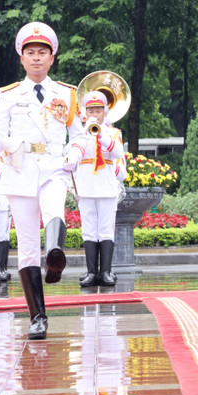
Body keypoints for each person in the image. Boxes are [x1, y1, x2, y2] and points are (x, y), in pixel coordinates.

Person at [0, 21, 87, 340]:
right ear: (22, 57)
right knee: (27, 246)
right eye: (31, 52)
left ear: (52, 57)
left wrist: (75, 153)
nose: (37, 58)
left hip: (54, 165)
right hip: (21, 168)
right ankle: (37, 317)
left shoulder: (67, 94)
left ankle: (54, 258)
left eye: (43, 52)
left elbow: (80, 134)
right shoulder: (10, 96)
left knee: (54, 208)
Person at [74, 91, 126, 287]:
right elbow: (73, 156)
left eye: (98, 111)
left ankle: (106, 272)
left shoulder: (113, 133)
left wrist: (100, 134)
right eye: (90, 111)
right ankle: (90, 272)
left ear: (105, 112)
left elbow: (118, 152)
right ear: (85, 112)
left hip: (106, 187)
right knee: (88, 230)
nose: (94, 114)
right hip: (86, 186)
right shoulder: (79, 132)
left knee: (105, 230)